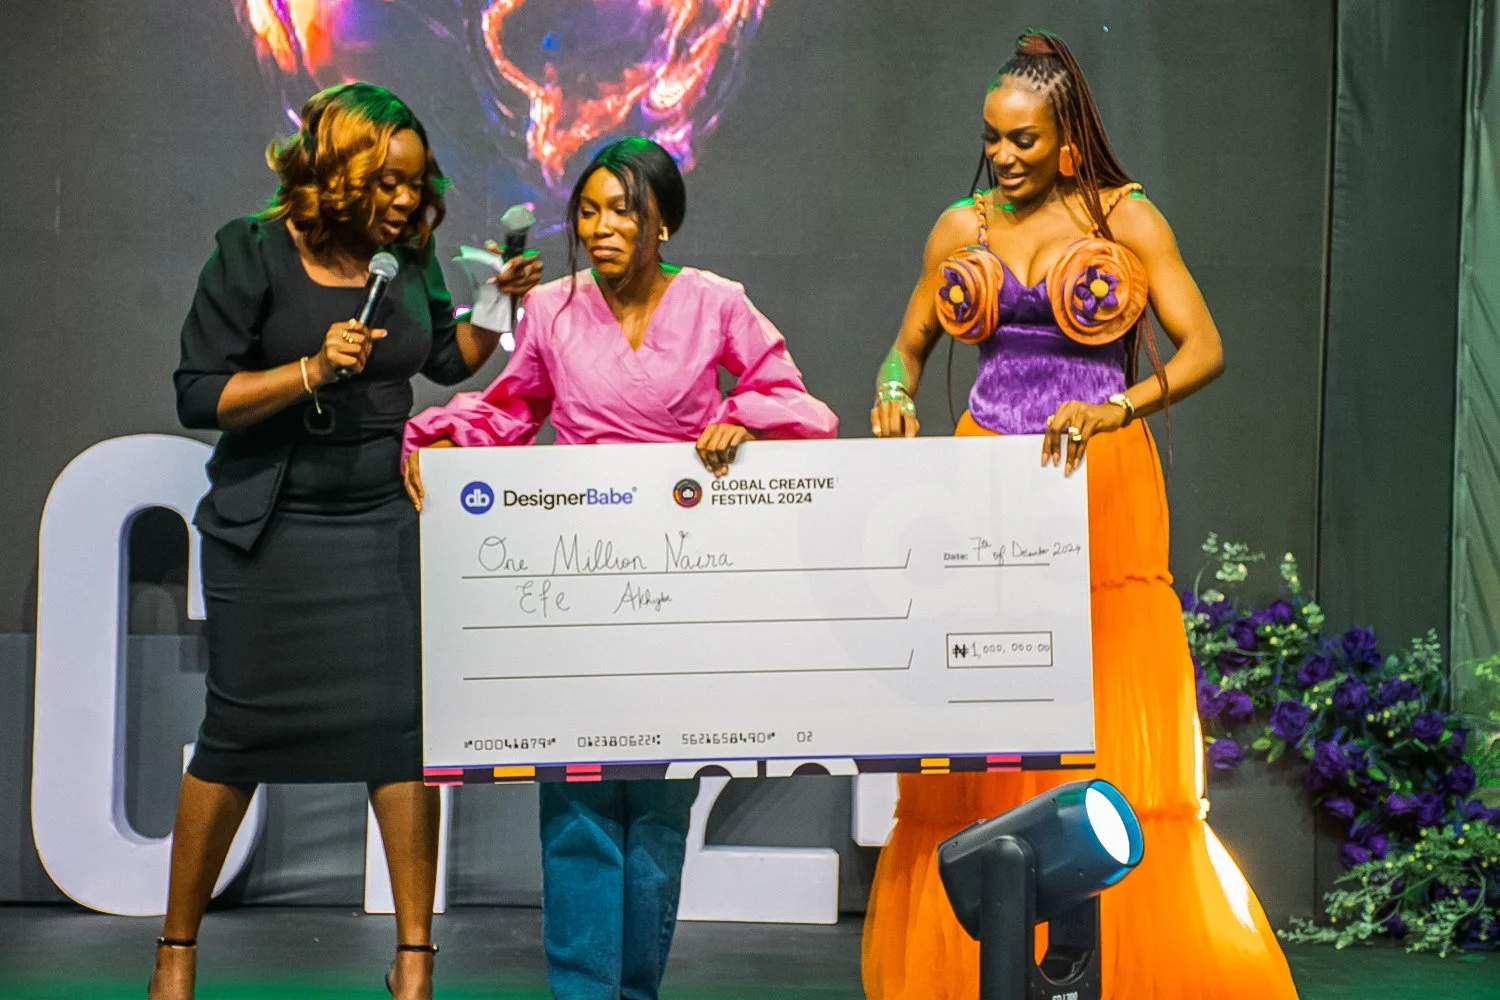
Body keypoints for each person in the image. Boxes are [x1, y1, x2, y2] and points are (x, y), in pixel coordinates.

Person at [862, 29, 1299, 1000]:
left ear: (1066, 143)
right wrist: (893, 389)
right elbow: (904, 349)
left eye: (1023, 141)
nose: (1003, 157)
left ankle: (1119, 963)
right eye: (992, 139)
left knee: (1100, 704)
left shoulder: (1125, 217)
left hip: (1097, 471)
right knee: (984, 708)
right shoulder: (958, 227)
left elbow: (1203, 348)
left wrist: (1120, 404)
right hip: (984, 479)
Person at [401, 136, 838, 1000]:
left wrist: (740, 418)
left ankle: (633, 990)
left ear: (662, 223)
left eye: (622, 212)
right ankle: (582, 991)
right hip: (579, 579)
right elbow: (512, 408)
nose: (601, 228)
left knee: (658, 805)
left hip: (681, 582)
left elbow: (795, 399)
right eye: (589, 212)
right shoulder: (555, 308)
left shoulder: (715, 302)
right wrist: (441, 435)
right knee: (575, 798)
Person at [154, 82, 542, 1000]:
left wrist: (491, 299)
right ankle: (176, 953)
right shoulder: (249, 250)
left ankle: (414, 962)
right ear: (339, 168)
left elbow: (447, 361)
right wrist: (306, 368)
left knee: (398, 737)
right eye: (391, 182)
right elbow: (197, 393)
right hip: (271, 525)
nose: (410, 203)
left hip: (379, 521)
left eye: (417, 185)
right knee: (236, 735)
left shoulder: (403, 258)